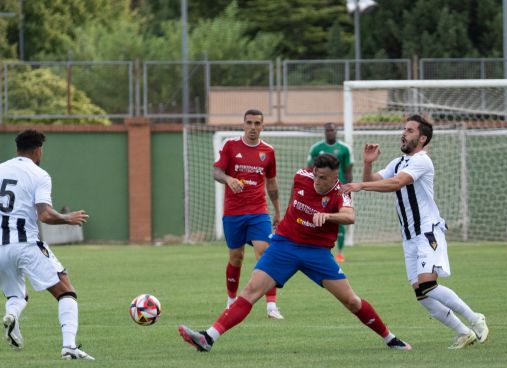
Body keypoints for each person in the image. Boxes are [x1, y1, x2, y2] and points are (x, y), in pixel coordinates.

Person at [178, 153, 411, 352]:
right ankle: (208, 338)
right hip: (284, 245)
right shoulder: (302, 176)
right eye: (316, 175)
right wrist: (284, 217)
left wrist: (328, 216)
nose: (318, 181)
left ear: (334, 176)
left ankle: (391, 339)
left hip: (317, 253)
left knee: (351, 301)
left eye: (324, 178)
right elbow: (294, 197)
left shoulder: (342, 192)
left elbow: (350, 216)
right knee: (251, 290)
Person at [341, 114, 489, 350]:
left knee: (428, 284)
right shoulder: (399, 162)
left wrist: (360, 186)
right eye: (404, 129)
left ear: (422, 138)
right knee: (422, 294)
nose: (404, 133)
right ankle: (464, 332)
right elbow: (375, 180)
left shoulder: (422, 161)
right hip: (409, 237)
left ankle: (475, 318)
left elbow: (396, 183)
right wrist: (368, 163)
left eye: (409, 130)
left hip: (427, 231)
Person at [0, 129, 94, 360]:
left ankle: (12, 316)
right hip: (25, 243)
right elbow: (44, 214)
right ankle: (69, 348)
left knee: (17, 296)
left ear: (17, 149)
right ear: (38, 150)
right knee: (66, 291)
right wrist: (68, 218)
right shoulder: (39, 174)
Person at [213, 108, 283, 319]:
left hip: (258, 211)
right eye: (249, 123)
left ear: (262, 126)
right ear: (243, 124)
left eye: (257, 123)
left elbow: (271, 182)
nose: (253, 127)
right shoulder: (230, 146)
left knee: (266, 252)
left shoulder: (268, 151)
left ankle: (271, 306)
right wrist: (228, 179)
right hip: (233, 212)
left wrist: (278, 211)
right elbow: (216, 172)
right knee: (236, 258)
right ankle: (231, 301)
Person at [307, 122, 354, 264]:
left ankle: (339, 253)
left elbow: (348, 171)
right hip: (320, 190)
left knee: (340, 220)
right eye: (327, 130)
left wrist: (348, 189)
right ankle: (316, 249)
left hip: (339, 191)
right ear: (324, 132)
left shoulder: (344, 148)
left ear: (336, 132)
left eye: (332, 130)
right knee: (316, 218)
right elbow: (310, 170)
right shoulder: (316, 148)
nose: (330, 133)